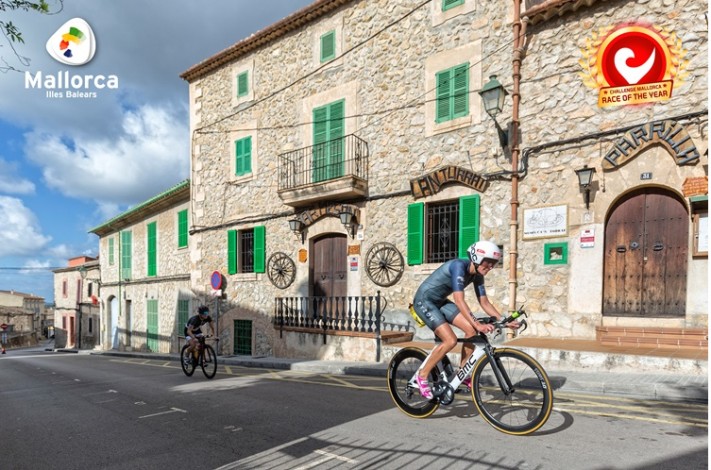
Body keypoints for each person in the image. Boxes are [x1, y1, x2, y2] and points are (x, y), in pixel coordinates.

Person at [411, 240, 520, 399]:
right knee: (450, 340)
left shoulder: (477, 275)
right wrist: (477, 323)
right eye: (488, 263)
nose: (490, 267)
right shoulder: (458, 266)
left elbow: (484, 302)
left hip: (440, 302)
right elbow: (459, 300)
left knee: (471, 331)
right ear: (477, 258)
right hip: (424, 301)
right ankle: (422, 376)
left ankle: (462, 373)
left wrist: (504, 320)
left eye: (493, 264)